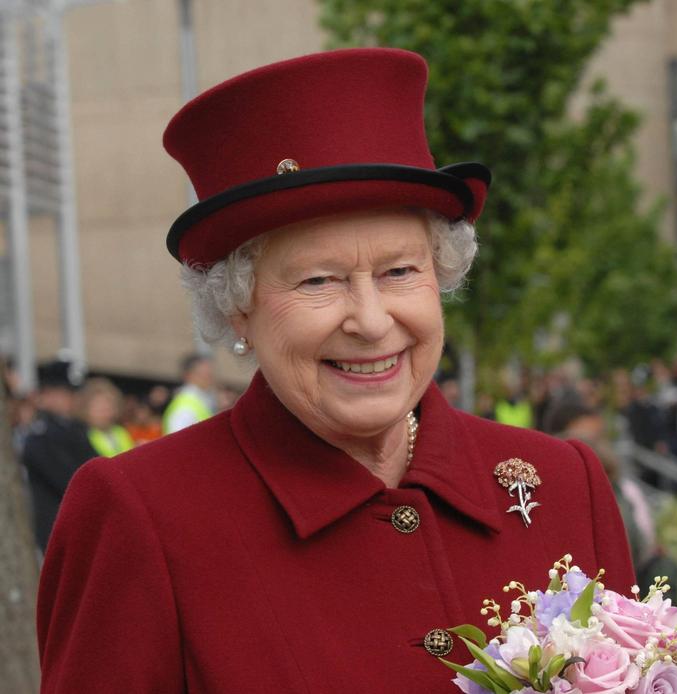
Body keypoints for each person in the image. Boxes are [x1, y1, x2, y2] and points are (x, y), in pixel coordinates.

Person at [36, 48, 635, 692]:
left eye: (400, 271)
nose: (372, 321)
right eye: (318, 281)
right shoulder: (140, 515)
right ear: (238, 309)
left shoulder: (565, 483)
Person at [20, 360, 97, 552]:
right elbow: (70, 479)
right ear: (47, 395)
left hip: (79, 526)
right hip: (55, 529)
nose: (74, 399)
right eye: (67, 393)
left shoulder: (75, 428)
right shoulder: (40, 436)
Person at [76, 377, 134, 458]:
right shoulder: (80, 435)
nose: (104, 412)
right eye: (99, 407)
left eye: (108, 406)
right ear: (85, 408)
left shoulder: (121, 432)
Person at [162, 353, 216, 434]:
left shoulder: (199, 400)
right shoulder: (185, 406)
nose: (209, 378)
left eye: (210, 374)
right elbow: (177, 440)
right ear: (188, 375)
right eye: (204, 374)